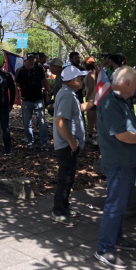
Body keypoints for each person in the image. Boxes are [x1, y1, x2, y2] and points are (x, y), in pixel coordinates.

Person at [94, 66, 136, 269]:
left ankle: (116, 237)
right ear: (128, 84)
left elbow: (129, 130)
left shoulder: (122, 101)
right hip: (119, 162)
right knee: (115, 204)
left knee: (120, 204)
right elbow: (122, 134)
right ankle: (104, 248)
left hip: (127, 161)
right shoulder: (111, 103)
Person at [51, 65, 95, 225]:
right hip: (66, 146)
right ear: (73, 80)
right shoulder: (68, 95)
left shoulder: (68, 93)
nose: (83, 80)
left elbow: (78, 109)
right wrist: (72, 142)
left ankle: (64, 206)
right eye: (81, 78)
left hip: (68, 145)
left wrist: (91, 102)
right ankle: (58, 210)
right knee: (65, 178)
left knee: (68, 178)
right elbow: (59, 121)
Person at [15, 53, 50, 150]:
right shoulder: (20, 71)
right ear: (25, 61)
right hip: (26, 101)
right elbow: (16, 85)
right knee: (26, 123)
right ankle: (30, 141)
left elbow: (45, 81)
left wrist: (48, 92)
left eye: (32, 60)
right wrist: (18, 96)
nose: (31, 62)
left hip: (38, 99)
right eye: (29, 60)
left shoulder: (39, 69)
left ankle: (44, 143)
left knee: (42, 122)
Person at [83, 57, 97, 144]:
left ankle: (94, 137)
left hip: (92, 98)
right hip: (94, 98)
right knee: (91, 118)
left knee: (92, 118)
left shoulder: (90, 74)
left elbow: (90, 87)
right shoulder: (96, 73)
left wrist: (87, 96)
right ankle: (90, 135)